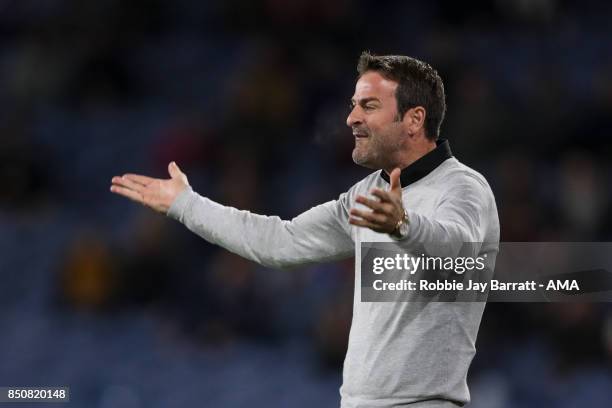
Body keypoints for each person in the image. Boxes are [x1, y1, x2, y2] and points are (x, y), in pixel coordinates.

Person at [110, 51, 500, 408]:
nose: (351, 118)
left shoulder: (463, 187)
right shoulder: (365, 193)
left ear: (414, 119)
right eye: (353, 106)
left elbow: (459, 252)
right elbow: (281, 242)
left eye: (369, 106)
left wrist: (403, 225)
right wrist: (186, 205)